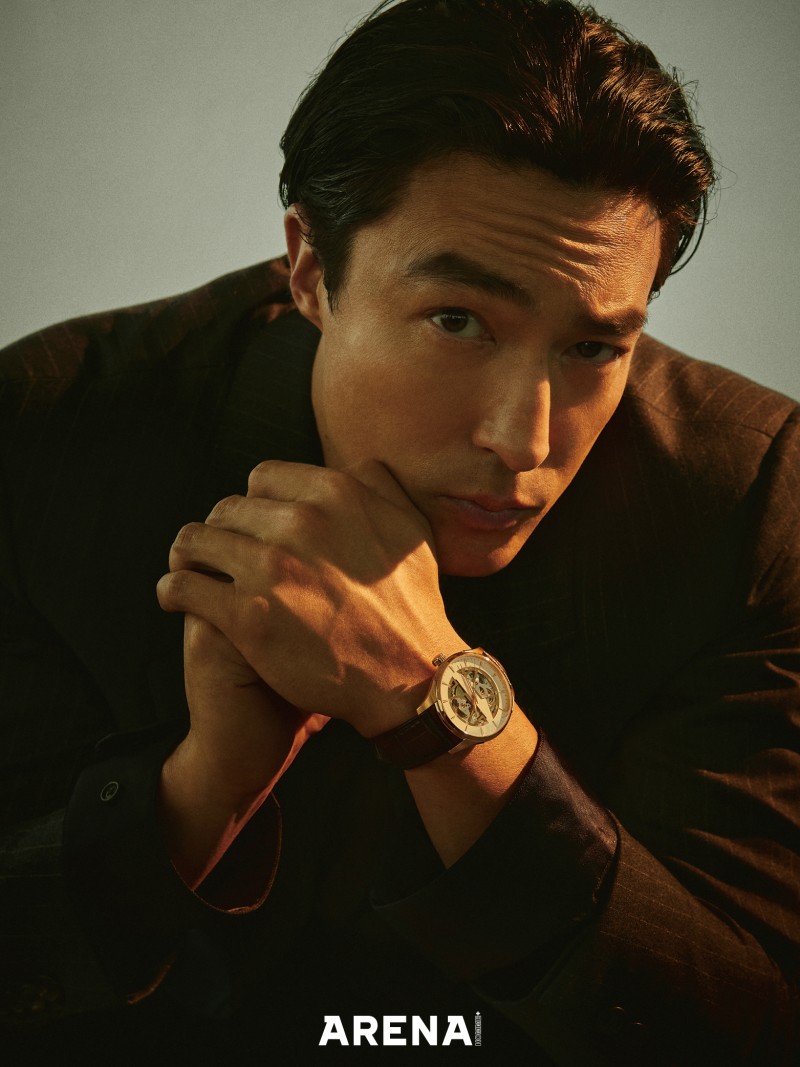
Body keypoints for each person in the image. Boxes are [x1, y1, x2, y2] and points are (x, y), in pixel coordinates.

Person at [2, 0, 798, 1063]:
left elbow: (744, 1019)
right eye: (457, 321)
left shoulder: (748, 500)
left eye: (592, 349)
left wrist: (440, 707)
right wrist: (199, 792)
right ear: (310, 270)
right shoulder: (48, 435)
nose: (522, 440)